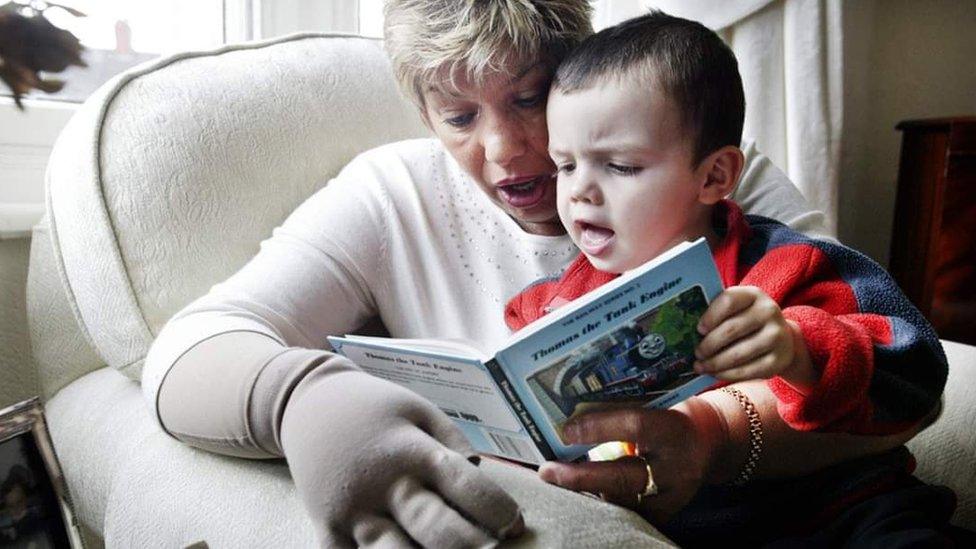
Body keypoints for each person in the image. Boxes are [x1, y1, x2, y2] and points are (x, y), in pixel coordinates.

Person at [142, 1, 937, 546]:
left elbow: (896, 382)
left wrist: (738, 414)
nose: (507, 151)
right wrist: (300, 397)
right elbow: (189, 348)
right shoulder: (398, 199)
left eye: (530, 98)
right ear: (424, 115)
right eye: (459, 116)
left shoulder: (718, 187)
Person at [504, 11, 955, 546]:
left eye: (619, 166)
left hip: (843, 516)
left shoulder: (789, 264)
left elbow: (915, 367)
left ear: (715, 175)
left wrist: (799, 351)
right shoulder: (546, 306)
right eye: (566, 165)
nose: (579, 191)